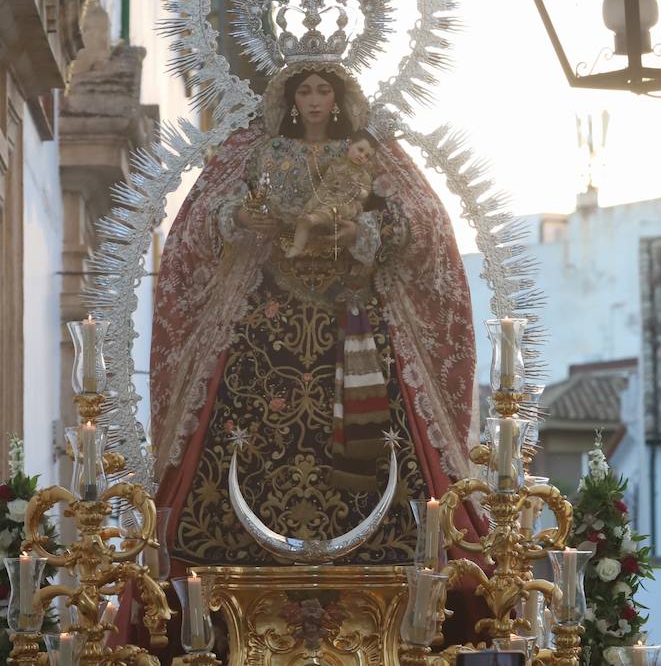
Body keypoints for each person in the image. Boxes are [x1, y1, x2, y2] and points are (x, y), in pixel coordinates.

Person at [146, 57, 482, 567]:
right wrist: (239, 216)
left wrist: (360, 232)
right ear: (289, 98)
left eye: (324, 89)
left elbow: (423, 222)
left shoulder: (369, 153)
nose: (315, 100)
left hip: (356, 321)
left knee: (383, 452)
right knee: (248, 437)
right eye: (305, 90)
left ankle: (391, 566)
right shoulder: (258, 151)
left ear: (340, 97)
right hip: (265, 324)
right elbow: (201, 218)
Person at [284, 130, 376, 259]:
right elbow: (318, 174)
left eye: (367, 156)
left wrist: (359, 191)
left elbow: (365, 193)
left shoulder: (363, 176)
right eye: (360, 150)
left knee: (325, 212)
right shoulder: (335, 162)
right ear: (350, 144)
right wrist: (313, 160)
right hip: (323, 196)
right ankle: (297, 247)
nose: (362, 156)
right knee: (303, 218)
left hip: (343, 204)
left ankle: (314, 219)